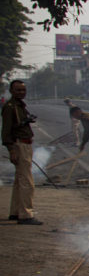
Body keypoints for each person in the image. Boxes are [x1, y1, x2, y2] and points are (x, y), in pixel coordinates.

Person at [2, 80, 42, 224]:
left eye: (23, 90)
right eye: (18, 90)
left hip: (24, 144)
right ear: (11, 91)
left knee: (20, 180)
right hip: (20, 145)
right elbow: (6, 132)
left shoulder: (19, 106)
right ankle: (26, 214)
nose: (21, 93)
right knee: (27, 181)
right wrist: (11, 150)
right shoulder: (10, 107)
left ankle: (15, 212)